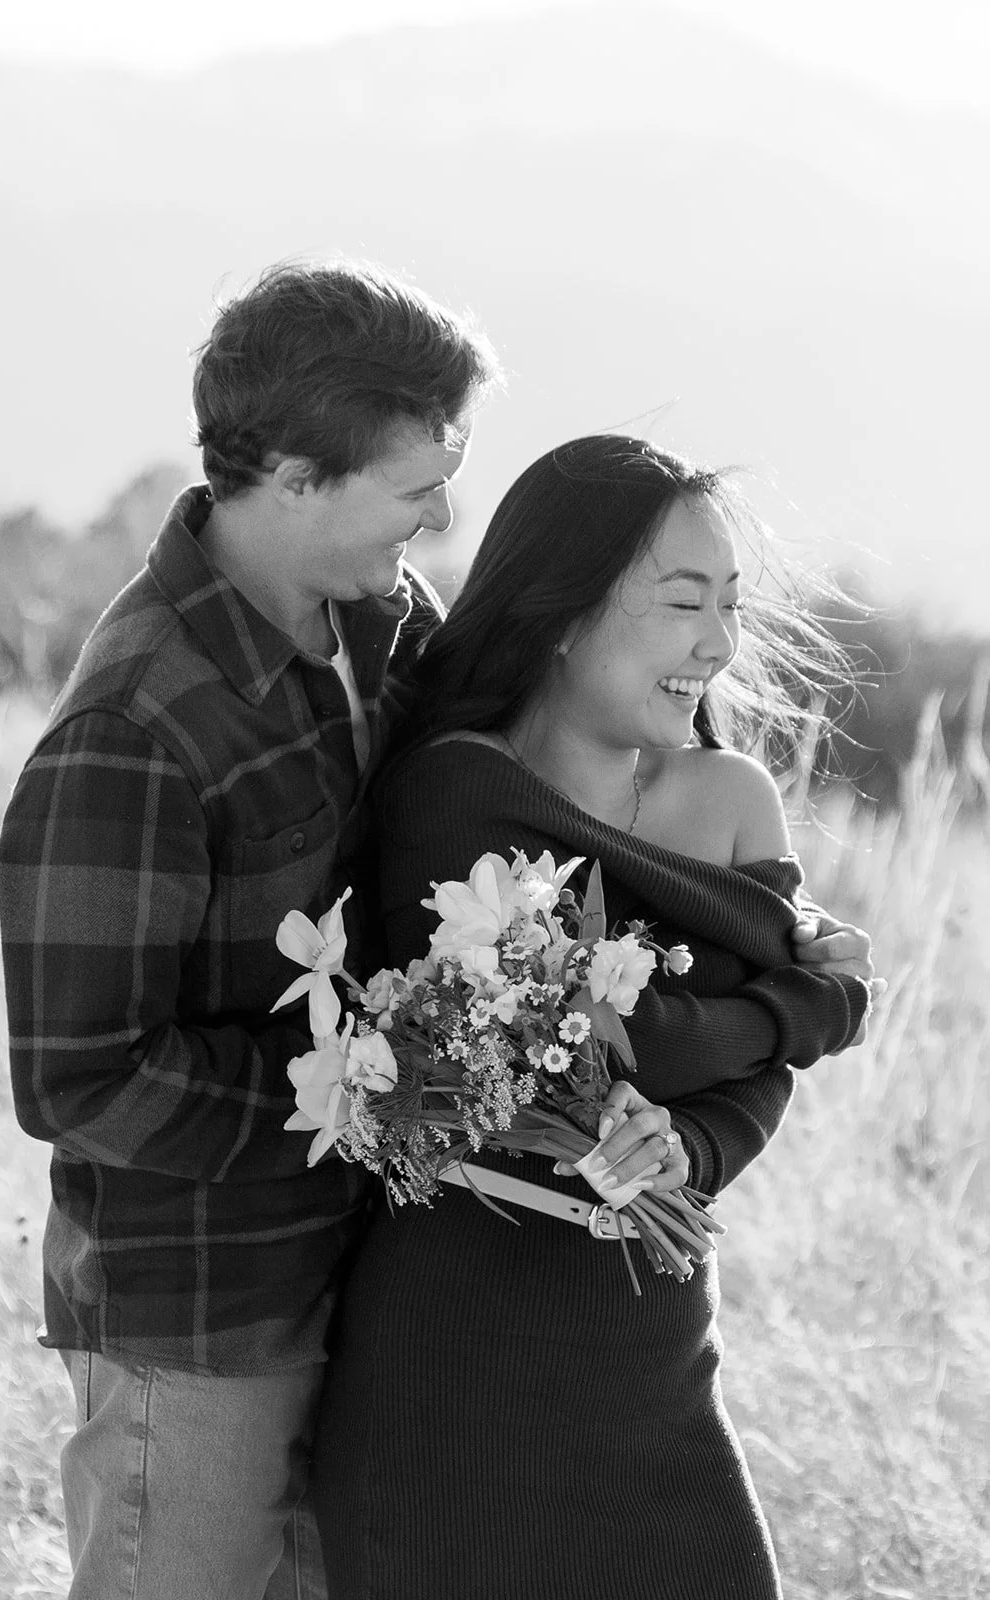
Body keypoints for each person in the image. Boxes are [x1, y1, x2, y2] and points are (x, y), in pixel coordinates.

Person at [0, 259, 500, 1600]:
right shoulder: (135, 728)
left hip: (360, 1275)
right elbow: (78, 1076)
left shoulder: (382, 627)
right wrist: (349, 1091)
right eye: (416, 484)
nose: (443, 517)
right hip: (198, 1317)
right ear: (291, 475)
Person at [310, 434, 880, 1600]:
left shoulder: (733, 798)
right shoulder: (454, 786)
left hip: (649, 1351)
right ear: (562, 611)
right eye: (682, 603)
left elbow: (723, 1082)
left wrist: (699, 1143)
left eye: (730, 604)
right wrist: (811, 999)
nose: (716, 644)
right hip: (458, 1359)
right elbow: (626, 1038)